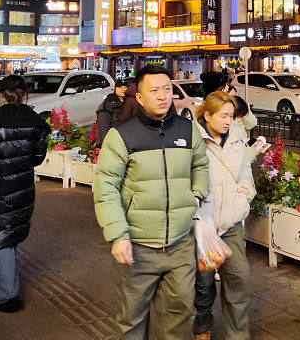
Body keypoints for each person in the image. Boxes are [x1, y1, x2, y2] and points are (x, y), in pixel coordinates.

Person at [94, 65, 210, 340]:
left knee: (180, 314)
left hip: (180, 244)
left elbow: (201, 164)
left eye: (167, 89)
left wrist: (196, 195)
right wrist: (118, 236)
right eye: (154, 90)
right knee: (132, 319)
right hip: (138, 244)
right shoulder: (121, 135)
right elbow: (106, 187)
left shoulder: (187, 130)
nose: (162, 96)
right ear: (140, 98)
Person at [0, 75, 51, 313]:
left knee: (2, 235)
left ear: (1, 95)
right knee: (9, 234)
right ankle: (0, 278)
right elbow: (38, 158)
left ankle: (7, 296)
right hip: (22, 187)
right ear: (24, 94)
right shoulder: (36, 122)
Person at [193, 92, 255, 340]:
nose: (229, 121)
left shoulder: (237, 138)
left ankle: (238, 336)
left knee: (239, 280)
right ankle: (202, 327)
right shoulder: (192, 139)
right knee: (203, 285)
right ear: (207, 115)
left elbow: (244, 170)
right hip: (203, 227)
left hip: (231, 224)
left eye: (231, 115)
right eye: (223, 116)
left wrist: (245, 196)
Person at [96, 79, 130, 145]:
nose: (123, 89)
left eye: (125, 87)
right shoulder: (108, 103)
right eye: (120, 87)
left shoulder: (129, 103)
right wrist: (108, 143)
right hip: (112, 141)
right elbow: (104, 126)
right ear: (115, 89)